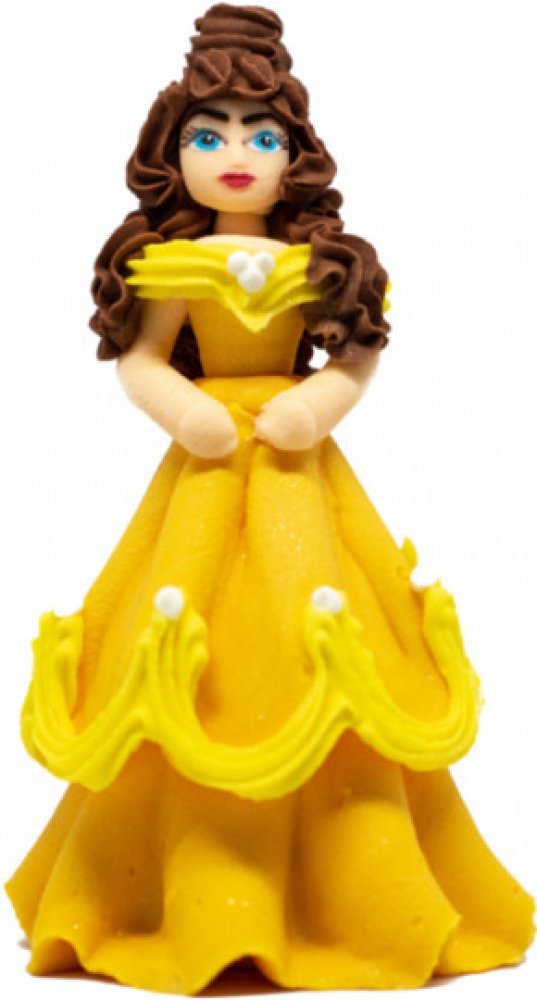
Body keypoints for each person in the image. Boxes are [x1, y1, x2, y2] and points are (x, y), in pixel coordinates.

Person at [6, 4, 534, 993]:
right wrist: (182, 409)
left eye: (262, 134)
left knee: (325, 635)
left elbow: (357, 353)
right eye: (209, 136)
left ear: (296, 154)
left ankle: (354, 883)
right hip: (204, 478)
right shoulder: (168, 262)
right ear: (172, 157)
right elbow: (141, 358)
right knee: (180, 644)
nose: (237, 154)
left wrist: (321, 399)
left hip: (301, 473)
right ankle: (165, 883)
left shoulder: (320, 264)